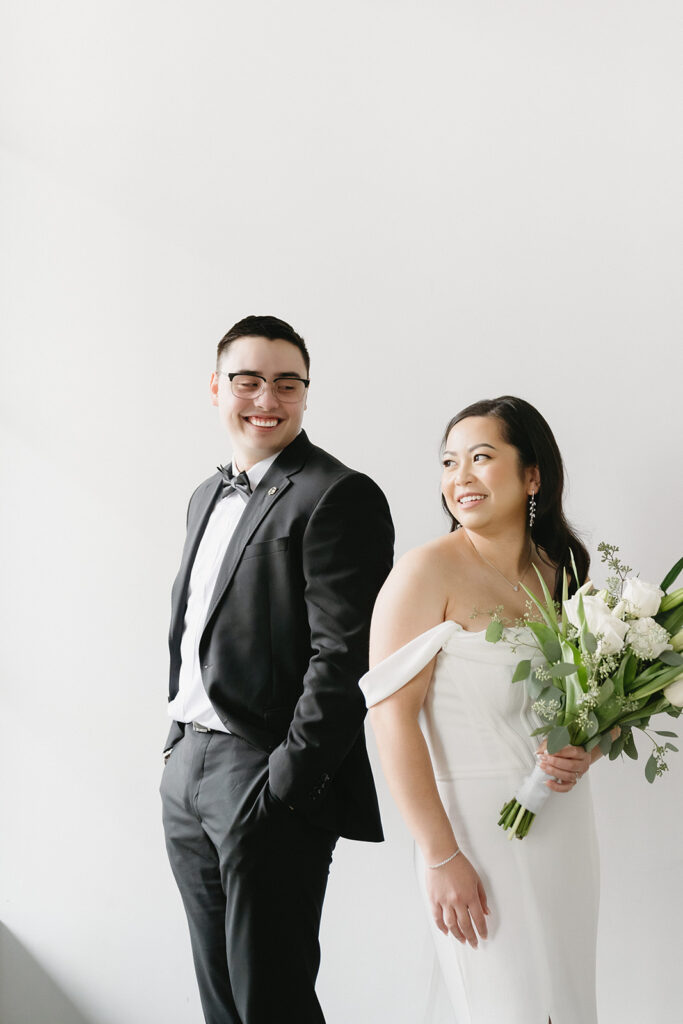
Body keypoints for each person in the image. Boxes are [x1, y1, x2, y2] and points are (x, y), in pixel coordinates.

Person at [160, 315, 394, 1024]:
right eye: (249, 380)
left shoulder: (336, 493)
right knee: (222, 1000)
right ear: (215, 387)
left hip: (263, 778)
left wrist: (287, 784)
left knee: (272, 1000)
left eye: (287, 383)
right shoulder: (205, 496)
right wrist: (176, 749)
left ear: (304, 394)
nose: (268, 397)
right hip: (187, 767)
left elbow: (345, 655)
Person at [361, 396, 603, 1024]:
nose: (460, 477)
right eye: (449, 462)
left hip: (564, 831)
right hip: (471, 834)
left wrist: (587, 748)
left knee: (570, 1009)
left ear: (532, 476)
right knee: (504, 1009)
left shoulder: (562, 572)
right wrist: (441, 856)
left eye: (481, 458)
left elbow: (593, 699)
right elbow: (391, 721)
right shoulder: (422, 574)